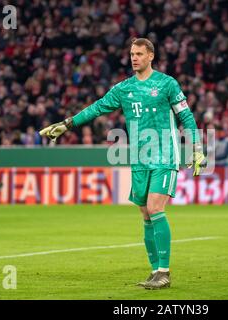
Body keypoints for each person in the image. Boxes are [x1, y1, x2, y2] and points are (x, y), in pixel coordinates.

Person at [39, 38, 206, 290]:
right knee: (145, 213)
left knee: (155, 207)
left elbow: (186, 115)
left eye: (139, 53)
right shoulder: (123, 89)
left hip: (165, 155)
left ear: (151, 55)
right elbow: (96, 108)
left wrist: (196, 148)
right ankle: (154, 271)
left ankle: (164, 271)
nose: (134, 58)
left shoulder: (167, 84)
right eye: (131, 54)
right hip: (139, 158)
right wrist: (66, 124)